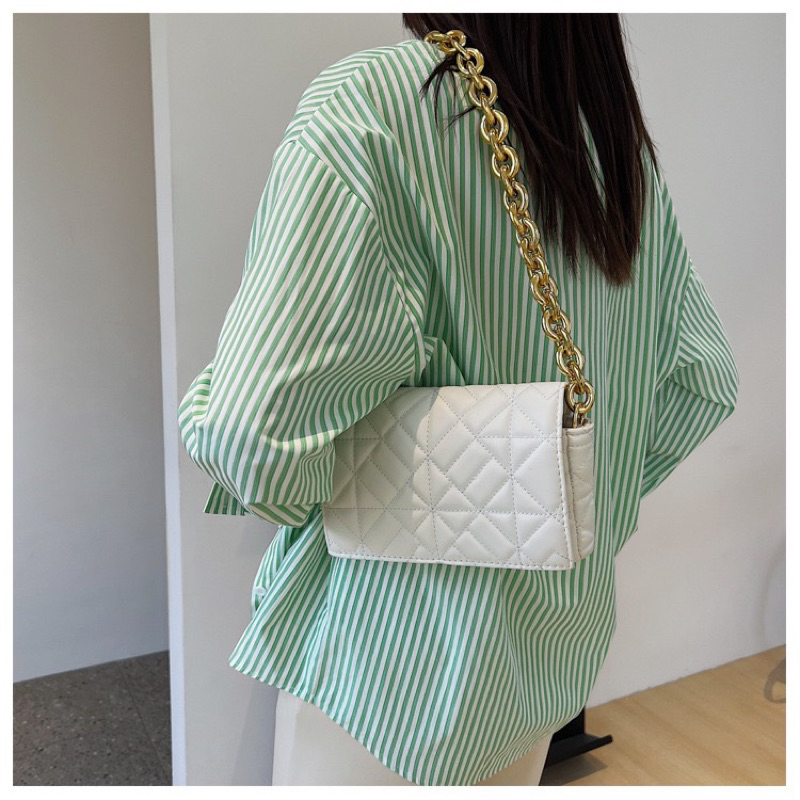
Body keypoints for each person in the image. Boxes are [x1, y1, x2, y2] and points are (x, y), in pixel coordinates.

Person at [177, 13, 740, 787]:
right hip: (550, 653)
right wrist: (564, 498)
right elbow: (700, 382)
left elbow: (256, 443)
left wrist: (206, 406)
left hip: (388, 674)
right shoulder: (610, 141)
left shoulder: (372, 106)